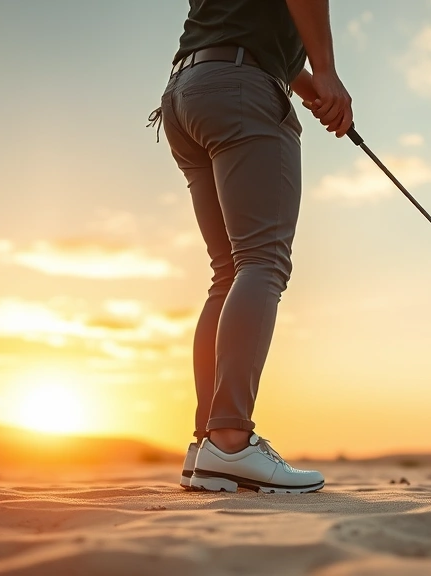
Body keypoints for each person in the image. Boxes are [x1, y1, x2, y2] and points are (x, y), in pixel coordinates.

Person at [150, 0, 353, 494]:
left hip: (188, 91)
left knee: (230, 270)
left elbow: (246, 22)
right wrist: (326, 72)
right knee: (261, 262)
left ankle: (207, 446)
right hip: (240, 87)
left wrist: (306, 85)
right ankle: (230, 442)